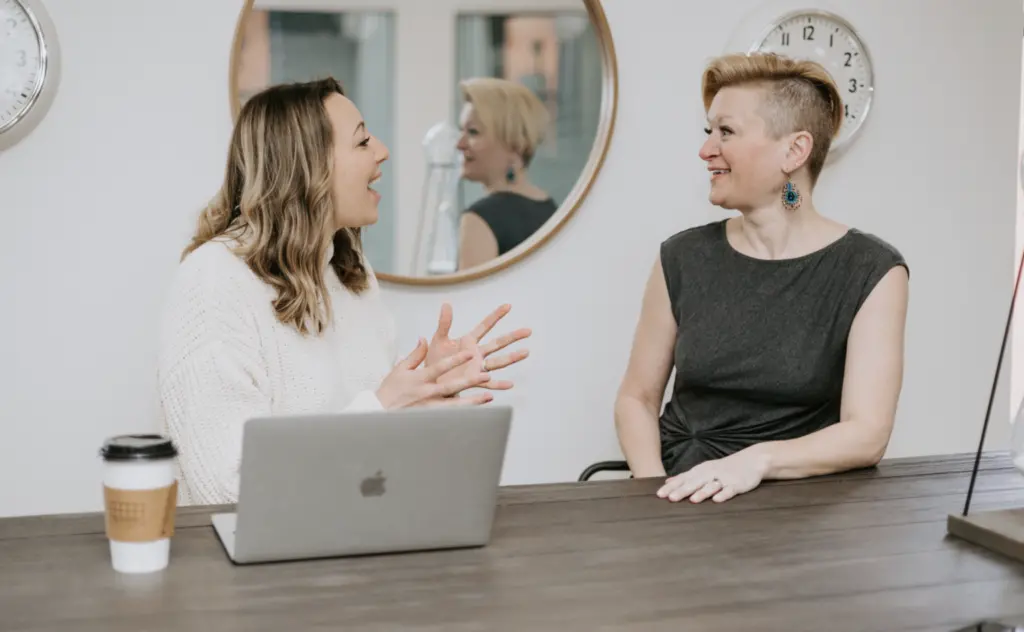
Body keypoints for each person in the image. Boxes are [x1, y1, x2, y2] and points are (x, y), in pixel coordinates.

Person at [157, 78, 531, 506]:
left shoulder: (348, 273)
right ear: (308, 166)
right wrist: (386, 406)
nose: (382, 150)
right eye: (361, 142)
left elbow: (369, 464)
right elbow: (225, 488)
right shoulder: (213, 280)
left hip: (350, 543)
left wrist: (426, 391)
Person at [614, 52, 909, 504]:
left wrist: (756, 461)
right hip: (676, 497)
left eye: (726, 132)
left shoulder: (871, 271)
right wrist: (655, 488)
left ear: (794, 151)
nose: (706, 149)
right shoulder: (681, 257)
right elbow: (636, 398)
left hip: (796, 514)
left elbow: (866, 434)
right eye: (708, 131)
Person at [455, 77, 558, 270]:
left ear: (515, 143)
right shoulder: (551, 209)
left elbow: (470, 300)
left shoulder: (479, 219)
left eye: (473, 132)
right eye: (462, 131)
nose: (459, 144)